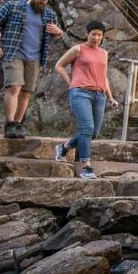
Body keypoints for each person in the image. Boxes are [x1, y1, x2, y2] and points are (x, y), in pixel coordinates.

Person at [0, 0, 64, 138]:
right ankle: (10, 124)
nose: (43, 2)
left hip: (35, 57)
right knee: (14, 88)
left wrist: (59, 32)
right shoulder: (12, 7)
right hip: (13, 53)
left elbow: (55, 36)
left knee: (26, 93)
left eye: (46, 0)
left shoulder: (49, 15)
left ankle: (18, 124)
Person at [53, 19, 115, 180]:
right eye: (93, 34)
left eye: (99, 35)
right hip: (81, 93)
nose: (96, 37)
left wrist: (110, 97)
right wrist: (71, 82)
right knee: (87, 128)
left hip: (99, 95)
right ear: (87, 34)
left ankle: (64, 147)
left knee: (93, 133)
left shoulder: (104, 53)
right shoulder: (78, 49)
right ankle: (86, 167)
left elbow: (104, 76)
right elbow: (59, 65)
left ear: (102, 37)